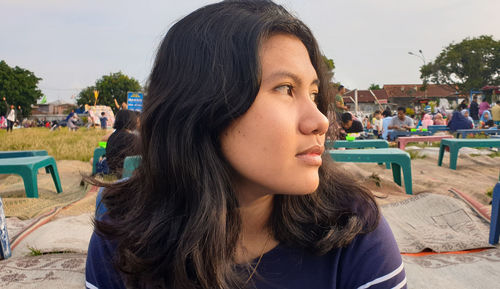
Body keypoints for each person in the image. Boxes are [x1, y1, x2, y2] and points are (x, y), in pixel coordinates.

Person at [85, 1, 406, 289]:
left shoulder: (351, 228)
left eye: (312, 93)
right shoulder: (125, 233)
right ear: (198, 107)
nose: (320, 120)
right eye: (284, 88)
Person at [105, 110, 140, 177]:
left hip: (112, 171)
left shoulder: (112, 136)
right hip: (126, 172)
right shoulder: (131, 138)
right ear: (131, 121)